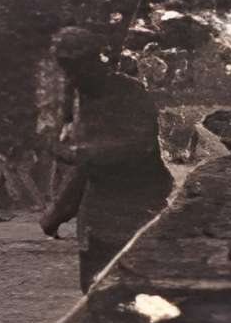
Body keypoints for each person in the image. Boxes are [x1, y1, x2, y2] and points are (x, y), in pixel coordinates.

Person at [40, 27, 174, 288]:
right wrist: (60, 210)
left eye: (76, 65)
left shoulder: (129, 93)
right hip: (98, 216)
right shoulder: (78, 99)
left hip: (140, 206)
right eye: (66, 67)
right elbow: (83, 169)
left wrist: (84, 154)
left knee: (139, 291)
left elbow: (141, 146)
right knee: (95, 290)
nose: (71, 75)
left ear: (93, 59)